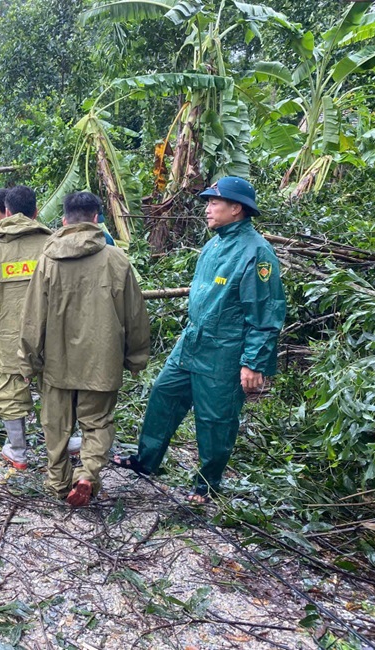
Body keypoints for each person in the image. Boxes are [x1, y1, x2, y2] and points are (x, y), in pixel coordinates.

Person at [113, 177, 286, 503]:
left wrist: (253, 362)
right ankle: (146, 461)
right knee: (164, 394)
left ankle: (207, 484)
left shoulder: (256, 253)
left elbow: (265, 313)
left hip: (225, 350)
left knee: (215, 418)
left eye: (214, 203)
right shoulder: (214, 244)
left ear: (236, 209)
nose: (207, 209)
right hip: (192, 341)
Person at [19, 191, 150, 507]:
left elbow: (33, 317)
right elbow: (135, 315)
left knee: (56, 426)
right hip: (102, 360)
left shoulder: (48, 261)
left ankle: (58, 483)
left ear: (64, 220)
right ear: (96, 219)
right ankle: (88, 474)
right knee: (97, 423)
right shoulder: (117, 259)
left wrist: (28, 361)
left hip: (56, 363)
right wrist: (136, 357)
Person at [0, 185, 56, 470]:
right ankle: (62, 444)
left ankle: (18, 451)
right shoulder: (53, 245)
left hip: (8, 337)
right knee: (54, 388)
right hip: (50, 334)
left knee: (9, 389)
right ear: (36, 212)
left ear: (6, 211)